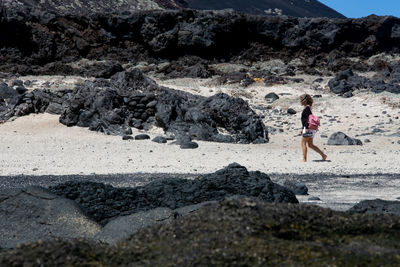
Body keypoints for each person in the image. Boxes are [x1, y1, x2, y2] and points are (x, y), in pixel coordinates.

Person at [299, 94, 327, 162]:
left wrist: (304, 129)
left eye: (301, 100)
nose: (300, 101)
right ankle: (323, 155)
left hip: (307, 128)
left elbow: (306, 120)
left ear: (304, 101)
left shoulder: (307, 109)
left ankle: (304, 159)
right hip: (311, 128)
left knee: (303, 143)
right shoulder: (309, 108)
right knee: (310, 145)